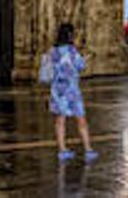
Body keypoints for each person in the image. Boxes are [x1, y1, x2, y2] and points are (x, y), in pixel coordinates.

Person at [42, 23, 96, 161]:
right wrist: (87, 58)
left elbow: (49, 70)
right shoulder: (71, 51)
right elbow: (80, 66)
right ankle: (88, 149)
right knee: (81, 120)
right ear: (70, 35)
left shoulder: (52, 51)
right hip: (72, 91)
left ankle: (62, 150)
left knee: (60, 121)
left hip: (58, 91)